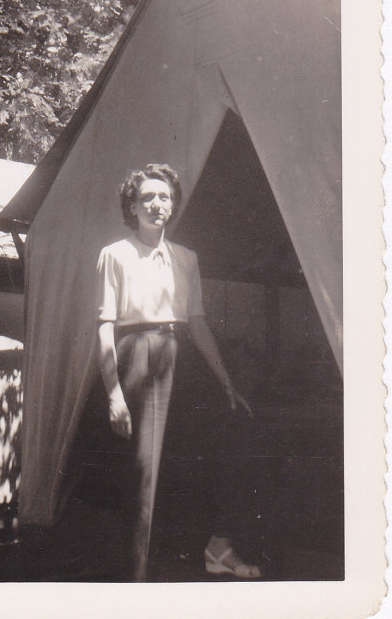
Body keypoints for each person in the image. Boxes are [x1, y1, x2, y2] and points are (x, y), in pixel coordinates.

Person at [96, 163, 261, 582]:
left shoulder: (187, 260)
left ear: (173, 205)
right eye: (147, 197)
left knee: (216, 444)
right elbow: (104, 326)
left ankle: (216, 548)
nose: (157, 204)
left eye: (164, 197)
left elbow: (198, 322)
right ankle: (134, 581)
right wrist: (113, 391)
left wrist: (226, 382)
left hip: (181, 357)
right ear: (132, 206)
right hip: (137, 357)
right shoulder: (114, 255)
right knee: (144, 474)